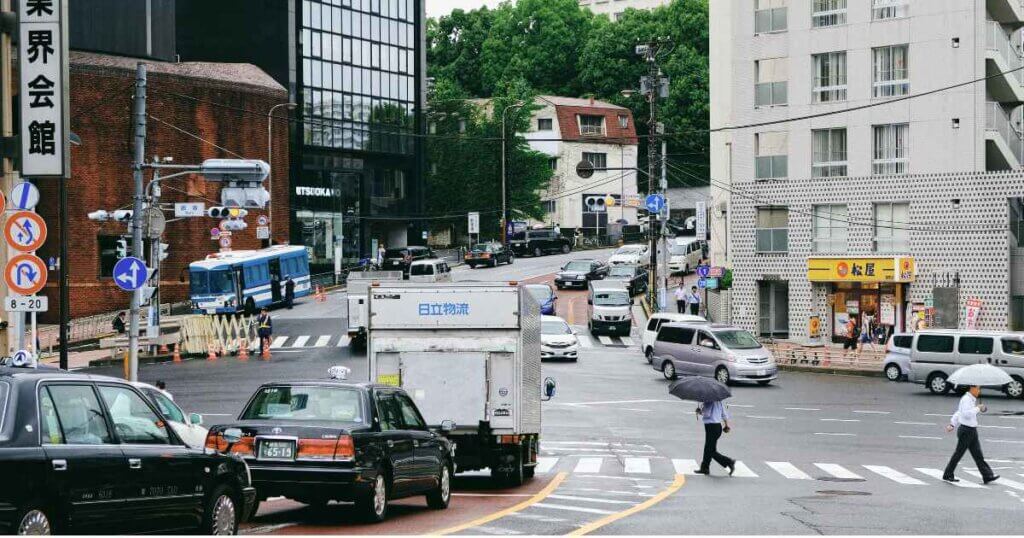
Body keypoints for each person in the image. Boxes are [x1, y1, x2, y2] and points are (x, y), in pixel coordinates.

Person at [943, 385, 999, 484]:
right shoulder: (966, 399)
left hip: (971, 430)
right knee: (958, 454)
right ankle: (947, 474)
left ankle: (987, 476)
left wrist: (981, 408)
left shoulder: (971, 399)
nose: (979, 391)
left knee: (978, 455)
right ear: (972, 388)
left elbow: (959, 412)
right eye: (978, 388)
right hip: (966, 431)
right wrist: (977, 408)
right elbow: (965, 414)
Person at [695, 399, 735, 476]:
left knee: (710, 450)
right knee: (708, 448)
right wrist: (726, 425)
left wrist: (699, 412)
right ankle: (704, 468)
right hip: (717, 427)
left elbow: (707, 414)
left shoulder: (709, 401)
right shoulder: (718, 401)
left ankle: (729, 462)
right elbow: (724, 414)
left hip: (711, 427)